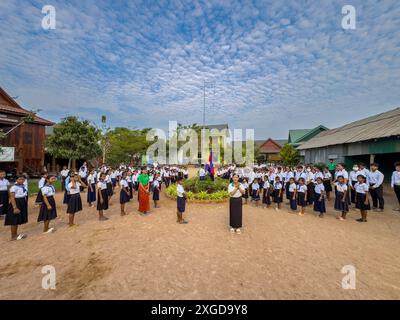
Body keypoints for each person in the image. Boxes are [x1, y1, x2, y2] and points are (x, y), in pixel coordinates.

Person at [5, 176, 28, 240]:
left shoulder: (23, 186)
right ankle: (13, 236)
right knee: (14, 219)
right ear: (16, 180)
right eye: (20, 179)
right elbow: (12, 197)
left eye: (23, 179)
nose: (22, 180)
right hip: (16, 202)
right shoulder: (14, 187)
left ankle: (15, 234)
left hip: (22, 202)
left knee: (17, 219)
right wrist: (15, 207)